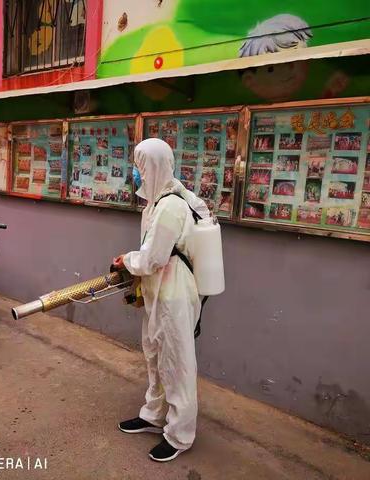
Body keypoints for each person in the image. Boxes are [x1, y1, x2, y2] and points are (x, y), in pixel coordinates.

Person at [113, 138, 210, 462]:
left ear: (152, 168)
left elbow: (153, 257)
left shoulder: (171, 205)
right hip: (158, 291)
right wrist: (133, 262)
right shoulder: (156, 203)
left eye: (139, 168)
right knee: (155, 355)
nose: (135, 174)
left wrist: (125, 260)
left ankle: (180, 434)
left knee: (177, 363)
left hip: (175, 294)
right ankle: (153, 415)